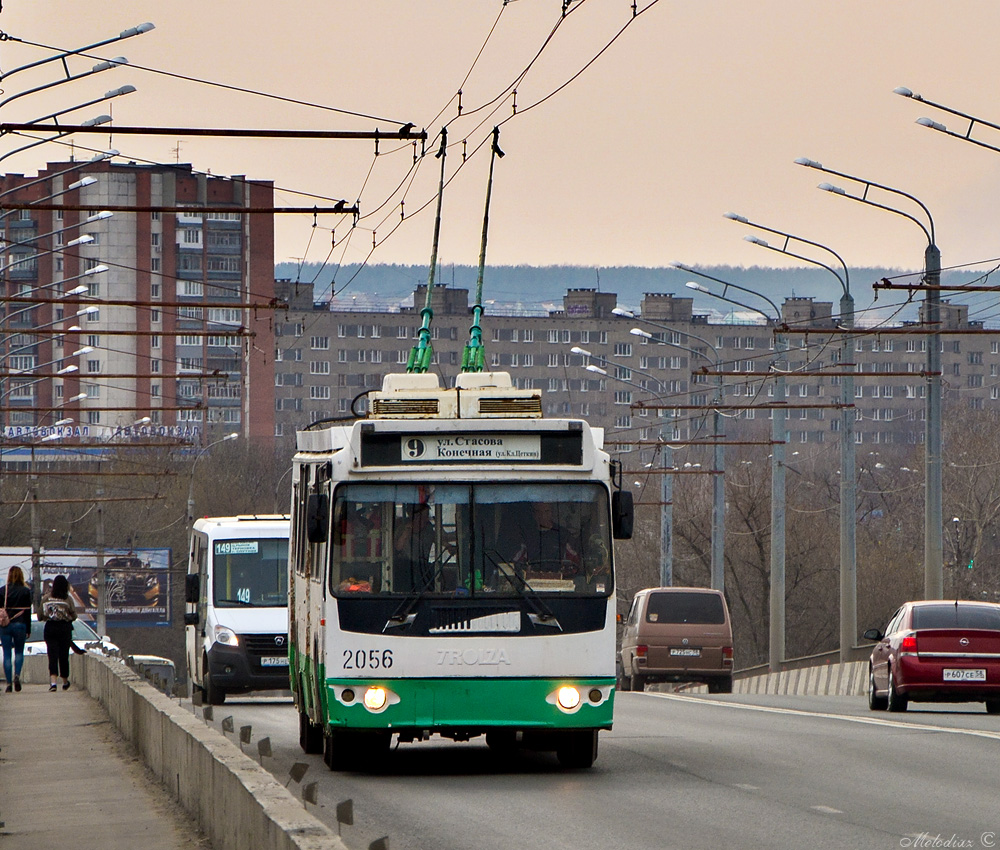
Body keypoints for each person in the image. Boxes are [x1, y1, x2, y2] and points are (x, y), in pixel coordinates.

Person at [41, 574, 77, 692]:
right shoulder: (68, 599)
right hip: (64, 629)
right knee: (63, 655)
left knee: (52, 655)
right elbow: (74, 615)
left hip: (50, 628)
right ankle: (65, 681)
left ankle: (53, 683)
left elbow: (40, 615)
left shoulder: (46, 598)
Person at [1, 566, 32, 693]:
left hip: (5, 625)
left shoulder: (3, 591)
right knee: (19, 652)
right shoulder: (25, 591)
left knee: (7, 654)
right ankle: (17, 676)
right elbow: (28, 613)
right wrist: (28, 629)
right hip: (20, 625)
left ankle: (8, 684)